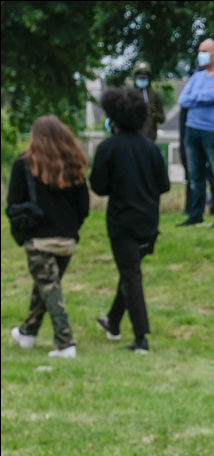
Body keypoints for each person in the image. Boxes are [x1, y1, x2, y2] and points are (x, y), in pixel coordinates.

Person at [89, 87, 170, 353]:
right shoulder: (151, 148)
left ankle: (141, 337)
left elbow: (99, 186)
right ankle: (113, 321)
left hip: (122, 221)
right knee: (130, 270)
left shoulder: (108, 147)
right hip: (148, 221)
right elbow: (164, 185)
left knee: (131, 274)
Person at [6, 115, 90, 358]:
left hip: (39, 239)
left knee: (50, 289)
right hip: (67, 240)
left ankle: (65, 343)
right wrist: (71, 227)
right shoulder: (74, 166)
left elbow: (12, 205)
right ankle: (27, 333)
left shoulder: (23, 165)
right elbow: (83, 207)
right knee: (45, 287)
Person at [178, 38, 214, 227]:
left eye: (204, 51)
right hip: (192, 129)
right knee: (195, 175)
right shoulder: (197, 77)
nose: (200, 54)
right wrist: (202, 98)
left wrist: (198, 98)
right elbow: (183, 100)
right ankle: (195, 215)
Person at [132, 61, 166, 141]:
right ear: (135, 77)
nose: (142, 78)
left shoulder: (155, 94)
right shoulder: (128, 93)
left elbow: (162, 118)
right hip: (132, 137)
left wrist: (154, 113)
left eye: (145, 76)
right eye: (140, 76)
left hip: (149, 138)